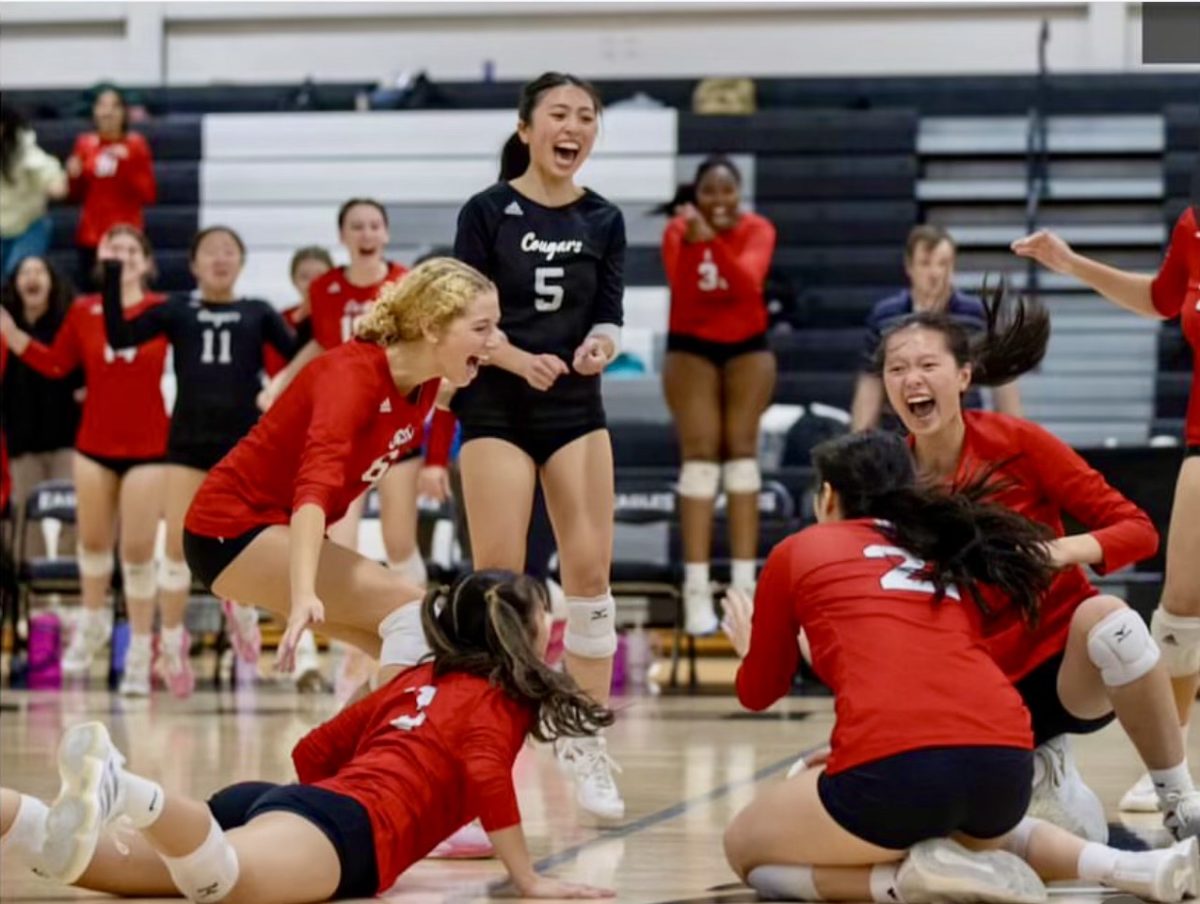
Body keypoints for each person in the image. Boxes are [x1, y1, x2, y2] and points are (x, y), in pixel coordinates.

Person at [720, 430, 1200, 904]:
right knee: (966, 835)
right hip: (1005, 768)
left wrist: (748, 651)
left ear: (827, 496)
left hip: (899, 771)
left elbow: (759, 692)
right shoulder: (936, 552)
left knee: (745, 850)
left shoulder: (800, 549)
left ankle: (900, 885)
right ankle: (1132, 866)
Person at [0, 571, 616, 903]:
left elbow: (315, 750)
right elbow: (486, 775)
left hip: (297, 808)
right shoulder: (498, 700)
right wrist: (529, 880)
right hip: (342, 829)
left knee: (78, 859)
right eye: (545, 616)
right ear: (518, 633)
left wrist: (297, 817)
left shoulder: (419, 678)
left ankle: (16, 814)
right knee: (222, 882)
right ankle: (126, 790)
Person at [877, 282, 1200, 841]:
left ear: (963, 377)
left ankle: (1179, 802)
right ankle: (1038, 768)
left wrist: (1056, 552)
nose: (912, 379)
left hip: (1063, 668)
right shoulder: (887, 485)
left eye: (928, 364)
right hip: (972, 691)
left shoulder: (1019, 441)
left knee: (1115, 624)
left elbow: (1139, 531)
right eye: (897, 369)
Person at [183, 256, 500, 691]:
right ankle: (374, 757)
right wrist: (301, 595)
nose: (494, 342)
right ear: (431, 327)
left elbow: (480, 391)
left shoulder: (425, 381)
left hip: (268, 528)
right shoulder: (351, 378)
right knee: (421, 618)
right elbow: (312, 490)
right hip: (233, 529)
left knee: (413, 652)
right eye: (482, 329)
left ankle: (338, 756)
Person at [449, 71, 626, 824]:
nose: (574, 126)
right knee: (504, 587)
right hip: (496, 407)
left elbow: (610, 316)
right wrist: (516, 358)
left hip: (576, 411)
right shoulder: (486, 212)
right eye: (559, 113)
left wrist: (599, 348)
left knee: (589, 579)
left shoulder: (605, 218)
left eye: (586, 116)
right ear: (526, 128)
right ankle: (491, 754)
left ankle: (583, 738)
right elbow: (462, 319)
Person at [1013, 205, 1200, 815]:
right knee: (1181, 611)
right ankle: (1172, 767)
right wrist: (1070, 263)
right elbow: (1160, 298)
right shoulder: (1193, 226)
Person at [102, 226, 295, 697]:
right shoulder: (176, 308)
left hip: (245, 444)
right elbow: (121, 335)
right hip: (187, 442)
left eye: (230, 250)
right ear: (193, 264)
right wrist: (111, 276)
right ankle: (171, 643)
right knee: (178, 547)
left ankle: (243, 609)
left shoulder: (258, 311)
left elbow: (303, 355)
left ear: (242, 261)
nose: (220, 259)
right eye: (210, 251)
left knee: (249, 536)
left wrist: (283, 379)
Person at [259, 201, 429, 699]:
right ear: (342, 235)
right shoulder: (326, 288)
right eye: (356, 225)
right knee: (338, 544)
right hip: (347, 431)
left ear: (387, 232)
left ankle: (409, 637)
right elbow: (320, 346)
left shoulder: (405, 283)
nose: (366, 232)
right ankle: (338, 654)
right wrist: (281, 385)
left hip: (397, 430)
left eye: (375, 224)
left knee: (401, 543)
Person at [0, 225, 167, 695]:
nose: (124, 254)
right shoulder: (82, 310)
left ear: (147, 262)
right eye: (114, 247)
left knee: (135, 554)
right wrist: (14, 336)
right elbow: (57, 365)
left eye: (133, 248)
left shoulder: (163, 310)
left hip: (150, 446)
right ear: (101, 259)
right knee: (91, 545)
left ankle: (139, 651)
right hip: (93, 443)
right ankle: (92, 622)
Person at [659, 155, 777, 635]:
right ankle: (696, 593)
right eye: (710, 192)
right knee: (701, 458)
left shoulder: (758, 229)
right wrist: (695, 242)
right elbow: (683, 288)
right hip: (690, 346)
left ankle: (744, 589)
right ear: (696, 196)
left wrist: (712, 243)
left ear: (740, 194)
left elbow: (748, 283)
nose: (720, 201)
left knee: (743, 456)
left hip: (748, 347)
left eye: (728, 191)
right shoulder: (676, 233)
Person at [851, 225, 1022, 432]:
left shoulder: (975, 315)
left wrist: (1015, 434)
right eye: (926, 263)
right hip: (903, 429)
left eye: (943, 264)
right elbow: (870, 382)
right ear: (909, 266)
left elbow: (1001, 378)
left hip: (964, 428)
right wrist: (859, 440)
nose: (935, 273)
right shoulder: (885, 317)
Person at [0, 256, 80, 557]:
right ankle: (28, 590)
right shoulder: (4, 330)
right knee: (22, 519)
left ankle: (67, 588)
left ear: (51, 282)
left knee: (75, 515)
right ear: (15, 284)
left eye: (39, 271)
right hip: (21, 441)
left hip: (67, 437)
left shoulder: (70, 322)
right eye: (25, 272)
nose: (32, 278)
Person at [66, 85, 156, 290]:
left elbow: (148, 194)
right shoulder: (84, 144)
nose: (108, 111)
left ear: (124, 112)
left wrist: (127, 164)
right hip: (91, 234)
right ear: (94, 111)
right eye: (102, 105)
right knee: (93, 293)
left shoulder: (136, 145)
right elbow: (75, 194)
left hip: (126, 233)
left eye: (115, 106)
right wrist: (73, 175)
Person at [0, 105, 67, 277]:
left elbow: (46, 169)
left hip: (29, 226)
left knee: (17, 274)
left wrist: (54, 183)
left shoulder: (23, 147)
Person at [263, 245, 332, 378]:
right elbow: (273, 367)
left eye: (320, 275)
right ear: (294, 280)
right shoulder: (281, 320)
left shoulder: (344, 315)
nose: (313, 282)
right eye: (304, 277)